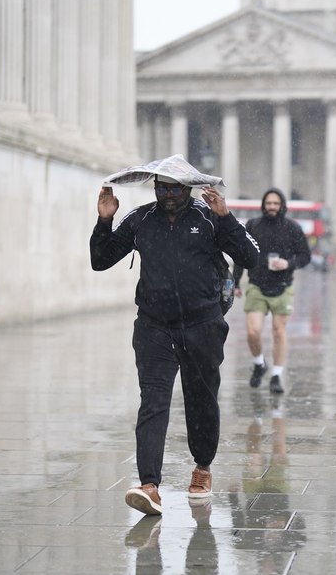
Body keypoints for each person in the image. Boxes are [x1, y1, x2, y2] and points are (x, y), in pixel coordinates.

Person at [90, 175, 259, 516]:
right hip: (154, 326)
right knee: (153, 402)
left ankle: (203, 468)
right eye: (162, 189)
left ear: (188, 189)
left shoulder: (209, 216)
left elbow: (250, 256)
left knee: (201, 400)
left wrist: (225, 219)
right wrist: (105, 220)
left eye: (175, 189)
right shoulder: (141, 219)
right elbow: (100, 259)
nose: (168, 196)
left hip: (203, 324)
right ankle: (149, 484)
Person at [233, 188, 311, 394]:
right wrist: (235, 282)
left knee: (279, 331)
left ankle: (276, 375)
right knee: (253, 332)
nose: (272, 207)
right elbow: (242, 253)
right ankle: (259, 364)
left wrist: (288, 263)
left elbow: (305, 256)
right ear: (263, 205)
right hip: (257, 285)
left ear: (282, 205)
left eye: (276, 204)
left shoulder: (292, 228)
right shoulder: (253, 225)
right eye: (269, 203)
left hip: (283, 286)